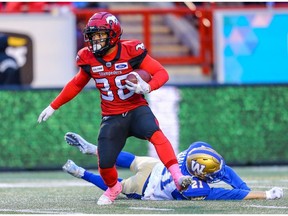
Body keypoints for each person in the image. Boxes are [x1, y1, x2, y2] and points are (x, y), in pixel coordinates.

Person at [37, 12, 192, 205]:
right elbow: (76, 84)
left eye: (100, 35)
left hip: (136, 108)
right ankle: (113, 187)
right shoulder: (88, 58)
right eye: (92, 36)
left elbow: (161, 72)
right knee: (105, 163)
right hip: (112, 116)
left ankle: (178, 177)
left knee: (157, 135)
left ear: (113, 35)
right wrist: (54, 106)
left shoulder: (131, 50)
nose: (95, 40)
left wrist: (147, 87)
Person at [62, 132, 284, 201]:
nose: (219, 174)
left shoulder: (195, 150)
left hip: (155, 166)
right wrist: (264, 194)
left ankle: (94, 150)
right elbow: (231, 195)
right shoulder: (197, 187)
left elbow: (225, 173)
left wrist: (245, 187)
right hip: (146, 189)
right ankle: (81, 172)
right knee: (117, 186)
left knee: (130, 160)